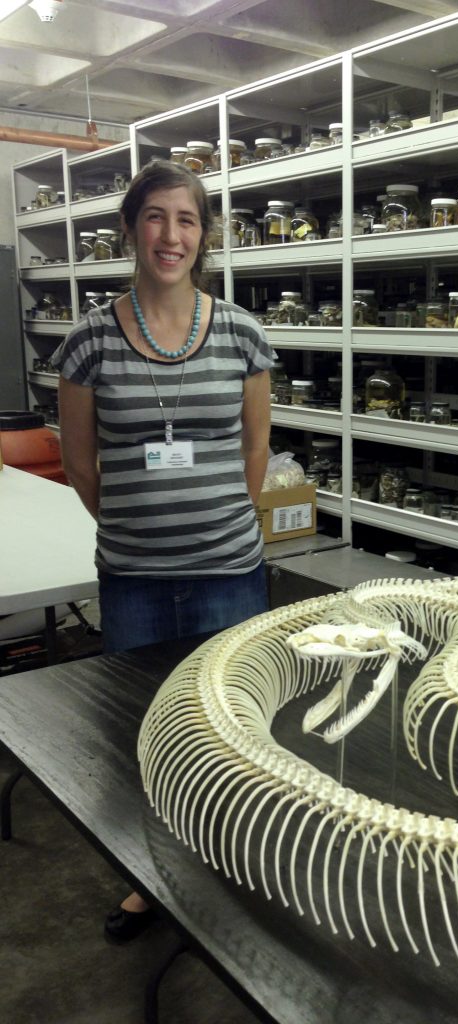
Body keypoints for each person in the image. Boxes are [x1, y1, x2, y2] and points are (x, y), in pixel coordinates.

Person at [51, 159, 275, 942]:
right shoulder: (88, 340)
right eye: (155, 217)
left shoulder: (242, 332)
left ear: (203, 235)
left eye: (186, 220)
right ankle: (152, 874)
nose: (170, 235)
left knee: (231, 725)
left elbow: (255, 450)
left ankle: (230, 865)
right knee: (143, 732)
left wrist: (223, 524)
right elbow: (79, 462)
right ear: (130, 229)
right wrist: (138, 528)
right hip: (135, 578)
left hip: (229, 574)